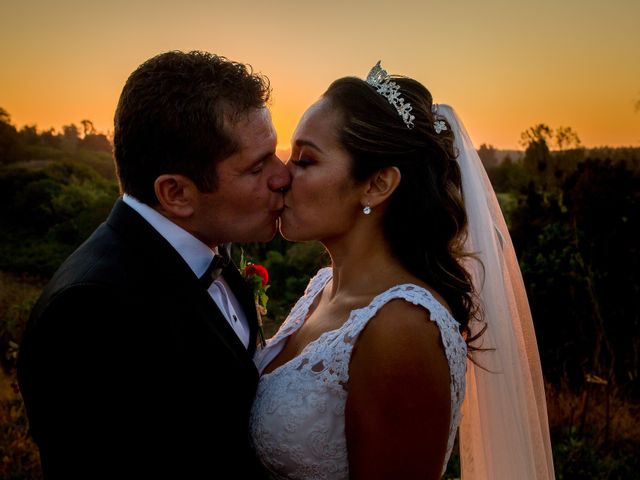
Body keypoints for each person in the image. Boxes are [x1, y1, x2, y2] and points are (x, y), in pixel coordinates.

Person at [250, 62, 555, 479]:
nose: (283, 175)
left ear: (377, 184)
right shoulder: (323, 288)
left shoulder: (401, 329)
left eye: (305, 160)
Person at [17, 50, 290, 478]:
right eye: (257, 167)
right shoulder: (90, 314)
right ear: (176, 194)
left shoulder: (210, 250)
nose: (283, 176)